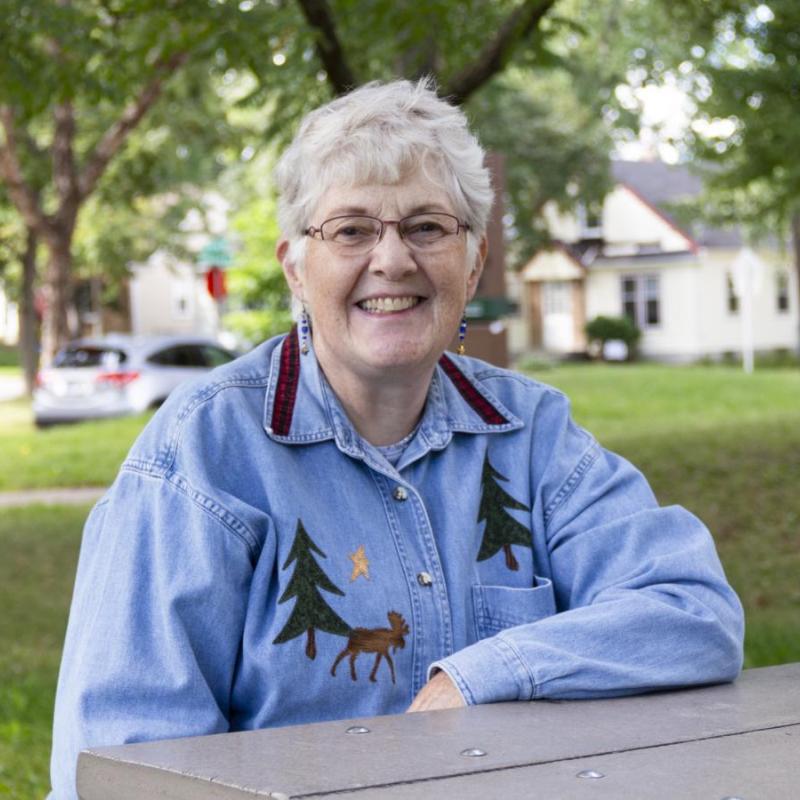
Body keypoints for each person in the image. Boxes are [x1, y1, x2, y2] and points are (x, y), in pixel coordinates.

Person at [49, 79, 744, 798]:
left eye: (426, 228)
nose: (392, 260)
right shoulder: (200, 458)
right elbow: (120, 767)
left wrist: (480, 676)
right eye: (351, 229)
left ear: (471, 263)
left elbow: (692, 612)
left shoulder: (536, 437)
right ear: (295, 266)